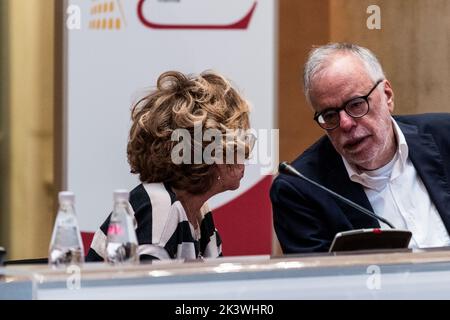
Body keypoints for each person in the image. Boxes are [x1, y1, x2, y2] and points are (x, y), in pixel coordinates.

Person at [271, 43, 450, 253]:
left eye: (356, 104)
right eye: (330, 115)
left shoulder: (445, 138)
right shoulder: (301, 188)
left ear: (387, 95)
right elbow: (320, 282)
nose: (345, 123)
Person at [86, 70, 253, 261]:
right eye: (240, 142)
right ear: (210, 152)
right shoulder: (160, 207)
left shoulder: (199, 211)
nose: (247, 152)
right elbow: (147, 289)